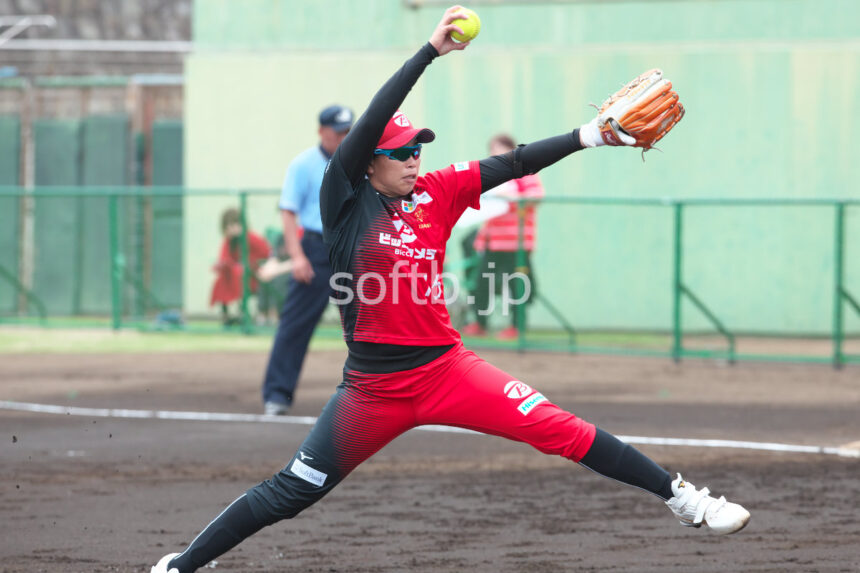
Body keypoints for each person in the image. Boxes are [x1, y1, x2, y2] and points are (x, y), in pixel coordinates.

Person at [152, 8, 749, 572]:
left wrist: (589, 134)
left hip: (447, 371)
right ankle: (179, 566)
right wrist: (430, 52)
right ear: (368, 162)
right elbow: (367, 127)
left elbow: (514, 163)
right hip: (372, 391)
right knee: (293, 490)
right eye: (399, 152)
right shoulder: (345, 205)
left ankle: (684, 499)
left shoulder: (437, 192)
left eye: (417, 148)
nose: (413, 158)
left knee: (560, 428)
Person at [260, 104, 354, 415]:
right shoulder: (303, 164)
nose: (344, 137)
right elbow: (289, 212)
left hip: (351, 250)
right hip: (314, 251)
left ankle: (378, 395)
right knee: (295, 326)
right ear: (322, 131)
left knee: (369, 325)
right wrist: (297, 257)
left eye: (348, 131)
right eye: (338, 132)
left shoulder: (358, 160)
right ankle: (277, 394)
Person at [462, 133, 544, 340]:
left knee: (517, 285)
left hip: (516, 243)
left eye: (499, 150)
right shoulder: (491, 174)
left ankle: (517, 326)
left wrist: (509, 196)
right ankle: (480, 323)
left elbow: (536, 197)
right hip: (492, 242)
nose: (494, 155)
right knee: (481, 282)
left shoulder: (526, 173)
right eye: (492, 151)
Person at [209, 207, 270, 327]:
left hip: (253, 277)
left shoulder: (251, 237)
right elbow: (224, 259)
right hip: (235, 277)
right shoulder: (228, 241)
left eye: (234, 225)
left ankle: (244, 315)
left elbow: (266, 253)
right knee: (221, 281)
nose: (231, 229)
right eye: (228, 226)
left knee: (239, 276)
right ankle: (226, 316)